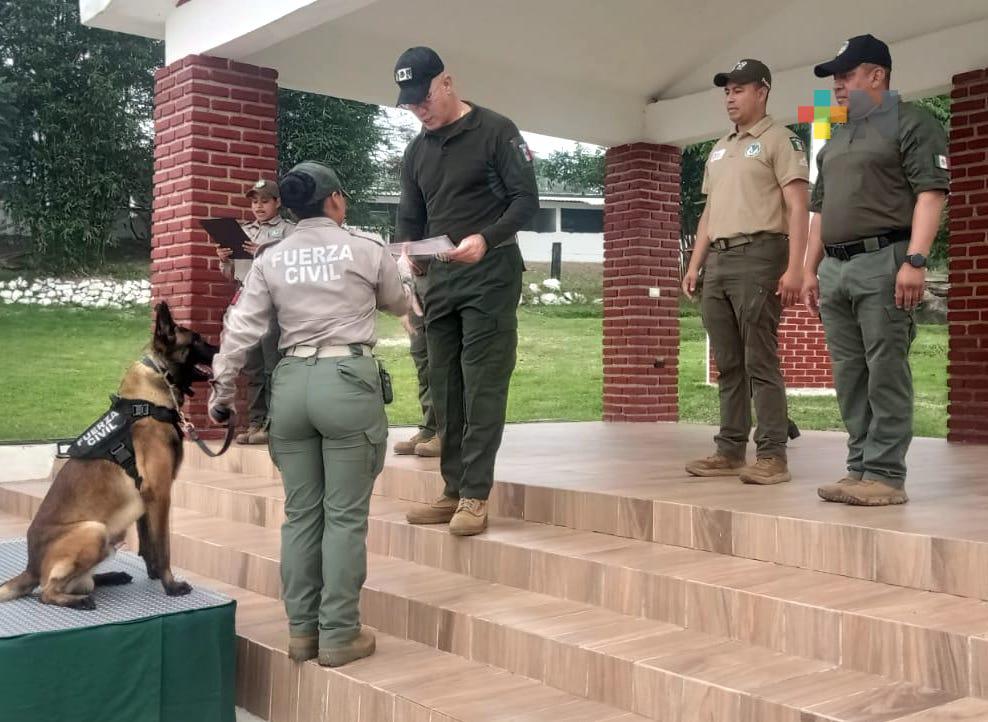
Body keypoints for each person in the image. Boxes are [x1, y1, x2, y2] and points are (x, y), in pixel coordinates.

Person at [208, 161, 414, 666]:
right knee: (343, 516)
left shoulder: (271, 258)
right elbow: (397, 302)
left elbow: (242, 326)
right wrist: (407, 274)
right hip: (347, 382)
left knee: (301, 515)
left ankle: (302, 632)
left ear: (292, 206)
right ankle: (339, 634)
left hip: (291, 384)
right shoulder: (365, 246)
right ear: (335, 200)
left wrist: (222, 387)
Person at [393, 46, 539, 535]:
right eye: (411, 103)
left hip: (490, 274)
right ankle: (452, 490)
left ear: (448, 83)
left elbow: (526, 201)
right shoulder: (416, 152)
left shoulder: (496, 131)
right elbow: (409, 218)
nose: (419, 109)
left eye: (425, 97)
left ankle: (475, 495)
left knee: (482, 385)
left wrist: (487, 238)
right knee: (445, 388)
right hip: (439, 280)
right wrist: (408, 256)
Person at [803, 35, 948, 505]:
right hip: (835, 267)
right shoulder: (836, 135)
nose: (837, 85)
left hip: (884, 260)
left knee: (885, 369)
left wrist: (916, 260)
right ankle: (859, 468)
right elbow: (820, 211)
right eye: (835, 78)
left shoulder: (913, 121)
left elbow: (931, 193)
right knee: (849, 373)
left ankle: (885, 475)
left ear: (877, 75)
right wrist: (809, 270)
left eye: (846, 75)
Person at [681, 59, 809, 485]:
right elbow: (709, 212)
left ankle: (772, 455)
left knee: (759, 358)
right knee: (728, 361)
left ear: (762, 91)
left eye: (738, 90)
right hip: (718, 260)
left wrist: (796, 267)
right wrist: (695, 263)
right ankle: (730, 450)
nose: (730, 98)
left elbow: (798, 207)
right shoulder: (720, 147)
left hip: (761, 254)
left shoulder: (780, 140)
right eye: (726, 91)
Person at [215, 179, 295, 444]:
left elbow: (295, 269)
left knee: (273, 365)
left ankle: (275, 424)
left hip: (272, 302)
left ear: (277, 202)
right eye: (254, 201)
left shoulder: (289, 232)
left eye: (265, 201)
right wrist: (224, 260)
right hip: (246, 303)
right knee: (252, 367)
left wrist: (264, 252)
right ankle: (256, 422)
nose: (259, 206)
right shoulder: (243, 231)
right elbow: (230, 274)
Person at [391, 307, 441, 457]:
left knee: (442, 361)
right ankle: (429, 429)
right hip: (416, 297)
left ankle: (447, 432)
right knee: (422, 361)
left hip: (443, 296)